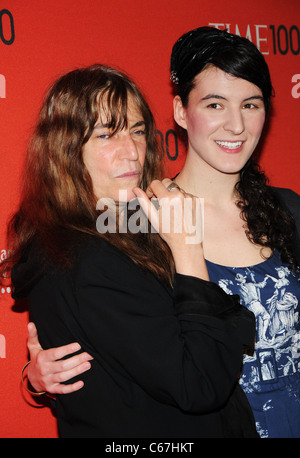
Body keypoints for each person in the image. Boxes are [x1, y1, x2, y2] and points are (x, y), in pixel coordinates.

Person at [26, 27, 300, 439]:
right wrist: (39, 372)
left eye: (251, 104)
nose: (236, 124)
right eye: (214, 104)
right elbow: (87, 298)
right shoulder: (131, 221)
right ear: (179, 111)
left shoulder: (290, 210)